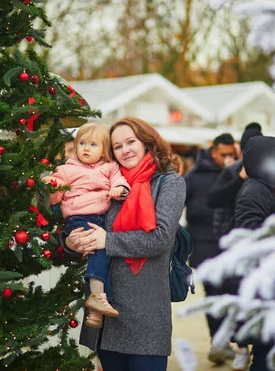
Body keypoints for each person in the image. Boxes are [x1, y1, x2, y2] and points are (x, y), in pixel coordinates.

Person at [63, 116, 185, 371]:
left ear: (147, 141)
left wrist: (107, 240)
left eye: (131, 141)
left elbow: (161, 239)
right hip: (105, 309)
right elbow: (82, 220)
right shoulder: (106, 179)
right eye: (117, 146)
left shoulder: (169, 182)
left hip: (146, 311)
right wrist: (71, 243)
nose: (125, 149)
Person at [43, 123, 130, 328]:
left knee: (103, 259)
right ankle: (97, 297)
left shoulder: (110, 167)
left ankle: (95, 313)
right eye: (81, 143)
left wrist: (119, 189)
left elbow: (120, 181)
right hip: (79, 218)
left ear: (104, 149)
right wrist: (51, 186)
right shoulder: (66, 169)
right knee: (99, 253)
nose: (86, 148)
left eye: (93, 144)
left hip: (100, 219)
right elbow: (55, 198)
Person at [233, 135, 275, 371]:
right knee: (268, 356)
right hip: (265, 288)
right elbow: (248, 233)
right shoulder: (253, 190)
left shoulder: (274, 188)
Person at [205, 122, 263, 369]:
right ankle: (240, 347)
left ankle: (254, 347)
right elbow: (214, 200)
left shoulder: (272, 172)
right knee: (235, 296)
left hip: (260, 249)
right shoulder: (233, 171)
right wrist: (239, 179)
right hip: (232, 247)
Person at [183, 132, 237, 364]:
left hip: (228, 246)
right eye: (223, 154)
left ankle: (225, 342)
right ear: (213, 151)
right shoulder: (194, 176)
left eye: (231, 155)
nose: (227, 159)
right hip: (203, 245)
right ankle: (219, 342)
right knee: (214, 294)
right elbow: (181, 205)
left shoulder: (235, 174)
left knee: (228, 294)